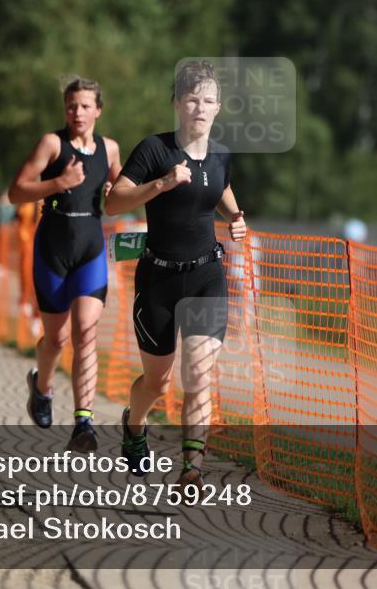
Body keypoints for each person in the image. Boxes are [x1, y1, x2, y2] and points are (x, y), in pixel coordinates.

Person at [104, 60, 247, 491]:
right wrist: (162, 184)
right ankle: (134, 425)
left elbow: (218, 185)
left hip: (206, 276)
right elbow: (114, 203)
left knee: (200, 374)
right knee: (158, 380)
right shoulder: (155, 150)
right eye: (191, 100)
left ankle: (191, 469)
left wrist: (236, 215)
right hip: (159, 279)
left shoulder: (222, 154)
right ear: (177, 104)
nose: (199, 108)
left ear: (218, 107)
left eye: (208, 101)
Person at [8, 76, 122, 452]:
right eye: (72, 105)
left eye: (85, 105)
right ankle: (41, 387)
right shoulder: (51, 144)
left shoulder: (110, 150)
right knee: (56, 339)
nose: (78, 112)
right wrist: (59, 182)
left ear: (98, 111)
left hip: (90, 248)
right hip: (52, 250)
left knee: (86, 333)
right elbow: (16, 191)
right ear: (65, 109)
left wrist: (116, 191)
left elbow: (123, 194)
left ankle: (83, 423)